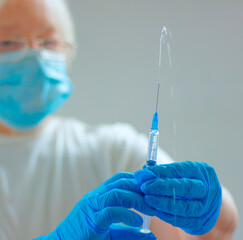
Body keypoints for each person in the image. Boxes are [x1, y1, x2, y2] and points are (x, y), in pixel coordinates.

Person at [0, 0, 238, 239]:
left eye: (48, 41)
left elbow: (203, 234)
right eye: (9, 42)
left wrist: (215, 209)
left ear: (67, 52)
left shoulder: (112, 150)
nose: (35, 55)